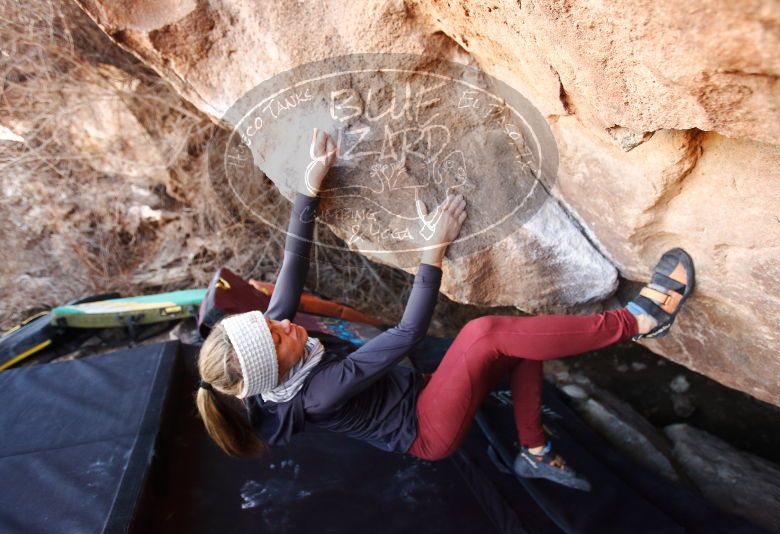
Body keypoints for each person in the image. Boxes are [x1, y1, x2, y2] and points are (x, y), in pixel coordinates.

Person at [196, 129, 695, 492]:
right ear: (278, 367)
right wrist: (431, 251)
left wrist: (309, 187)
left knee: (522, 344)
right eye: (280, 335)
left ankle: (535, 452)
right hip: (425, 427)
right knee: (485, 334)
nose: (283, 322)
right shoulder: (317, 396)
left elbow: (292, 262)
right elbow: (410, 332)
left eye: (270, 320)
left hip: (413, 384)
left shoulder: (271, 346)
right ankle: (641, 322)